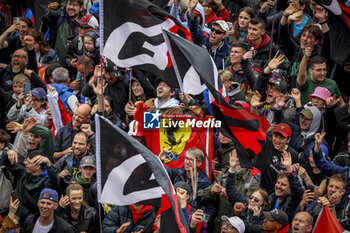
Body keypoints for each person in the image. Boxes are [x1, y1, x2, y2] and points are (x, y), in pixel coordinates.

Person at [2, 150, 59, 222]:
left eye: (28, 162)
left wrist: (48, 163)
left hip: (31, 222)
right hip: (15, 219)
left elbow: (55, 181)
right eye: (26, 160)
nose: (25, 163)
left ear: (37, 166)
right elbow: (6, 162)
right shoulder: (22, 173)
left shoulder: (45, 182)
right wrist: (8, 152)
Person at [254, 123, 299, 192]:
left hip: (275, 192)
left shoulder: (293, 154)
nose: (277, 140)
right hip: (255, 187)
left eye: (281, 138)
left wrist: (293, 168)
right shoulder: (265, 142)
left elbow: (294, 177)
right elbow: (251, 139)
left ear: (288, 139)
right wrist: (264, 132)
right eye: (275, 136)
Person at [188, 0, 231, 70]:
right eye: (212, 29)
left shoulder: (229, 52)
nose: (213, 33)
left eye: (218, 32)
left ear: (224, 35)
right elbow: (193, 27)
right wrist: (192, 9)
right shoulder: (202, 41)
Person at [42, 0, 84, 65]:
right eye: (69, 4)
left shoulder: (85, 23)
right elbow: (45, 16)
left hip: (77, 66)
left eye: (75, 5)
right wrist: (48, 8)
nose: (71, 7)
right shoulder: (59, 17)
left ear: (81, 8)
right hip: (58, 66)